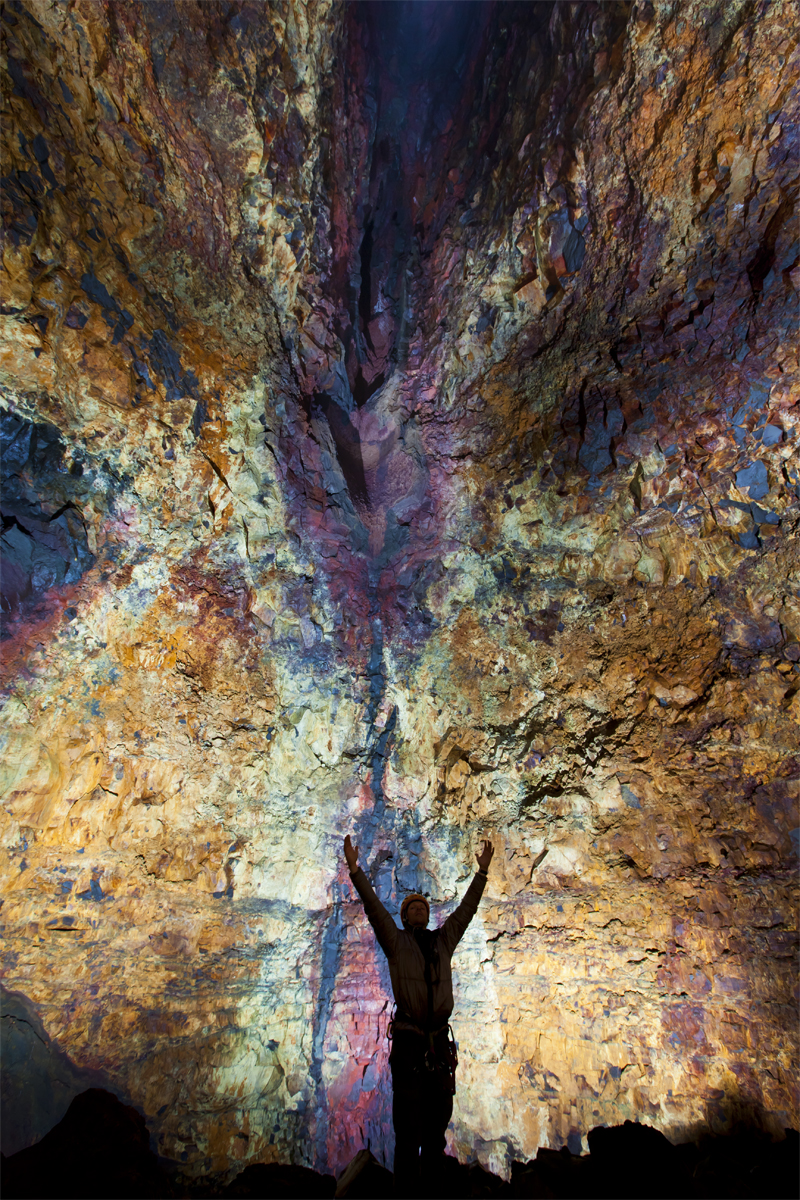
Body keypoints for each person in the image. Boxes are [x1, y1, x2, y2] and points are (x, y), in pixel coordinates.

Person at [343, 833, 494, 1196]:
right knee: (408, 1133)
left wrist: (482, 874)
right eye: (412, 908)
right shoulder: (396, 943)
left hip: (439, 1045)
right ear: (405, 916)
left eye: (423, 907)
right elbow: (373, 908)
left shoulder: (443, 941)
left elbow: (467, 911)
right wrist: (355, 870)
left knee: (435, 1136)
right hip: (411, 1044)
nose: (419, 910)